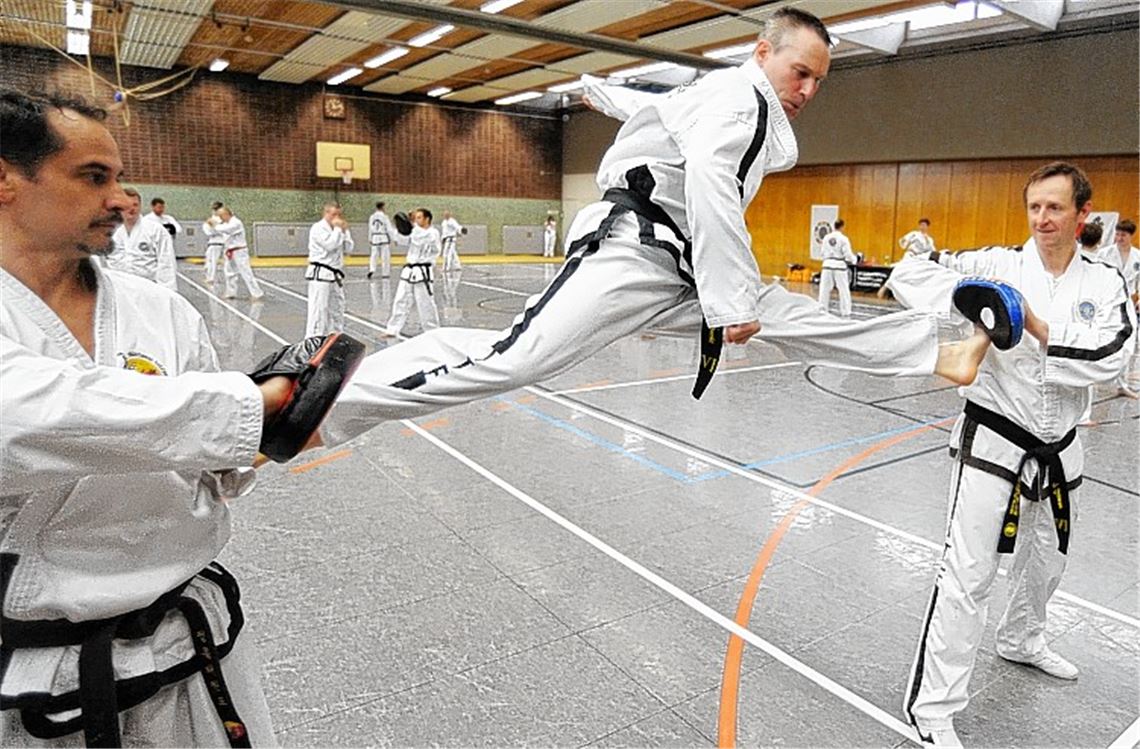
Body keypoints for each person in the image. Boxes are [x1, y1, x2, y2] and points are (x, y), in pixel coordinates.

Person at [315, 8, 995, 447]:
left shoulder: (718, 94)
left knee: (792, 314)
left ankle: (937, 351)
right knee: (513, 356)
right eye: (800, 72)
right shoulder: (740, 99)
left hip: (680, 262)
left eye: (820, 80)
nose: (808, 90)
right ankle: (325, 395)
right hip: (635, 250)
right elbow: (708, 180)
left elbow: (661, 109)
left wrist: (600, 93)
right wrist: (730, 303)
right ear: (763, 54)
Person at [0, 88, 315, 748]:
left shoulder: (161, 311)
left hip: (189, 640)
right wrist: (242, 409)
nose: (121, 198)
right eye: (93, 176)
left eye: (118, 177)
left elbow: (221, 461)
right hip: (38, 669)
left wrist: (275, 426)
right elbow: (27, 414)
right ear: (6, 179)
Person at [888, 162, 1137, 748]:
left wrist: (1033, 323)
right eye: (1034, 208)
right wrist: (971, 298)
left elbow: (1114, 356)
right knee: (969, 573)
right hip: (993, 436)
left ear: (1082, 216)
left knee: (1045, 562)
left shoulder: (1103, 284)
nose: (1043, 219)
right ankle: (934, 709)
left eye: (1055, 208)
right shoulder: (997, 264)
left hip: (1060, 446)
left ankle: (1022, 639)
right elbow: (909, 275)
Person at [1094, 218, 1139, 397]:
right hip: (1107, 301)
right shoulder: (1105, 254)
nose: (1119, 238)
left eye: (1123, 235)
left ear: (1131, 236)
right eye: (1117, 234)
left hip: (1127, 302)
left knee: (1129, 341)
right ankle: (1094, 378)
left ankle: (1122, 383)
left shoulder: (1137, 256)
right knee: (1101, 340)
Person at [106, 186, 177, 291]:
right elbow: (101, 262)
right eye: (127, 205)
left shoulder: (156, 230)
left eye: (135, 205)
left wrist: (168, 292)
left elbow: (166, 262)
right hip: (118, 288)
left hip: (148, 287)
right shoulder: (109, 231)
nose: (132, 209)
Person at [384, 208, 441, 337]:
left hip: (423, 272)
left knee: (425, 303)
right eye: (416, 217)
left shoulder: (433, 233)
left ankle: (432, 331)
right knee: (400, 300)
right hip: (409, 271)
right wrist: (400, 226)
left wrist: (411, 224)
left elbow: (419, 237)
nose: (416, 220)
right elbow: (401, 239)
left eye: (419, 217)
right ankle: (392, 329)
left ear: (427, 219)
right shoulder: (414, 232)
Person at [306, 201, 354, 337]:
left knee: (337, 309)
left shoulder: (339, 229)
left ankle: (336, 339)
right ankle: (313, 342)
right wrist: (339, 229)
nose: (337, 218)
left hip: (335, 276)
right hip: (320, 275)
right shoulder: (318, 228)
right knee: (319, 311)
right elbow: (330, 245)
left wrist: (345, 232)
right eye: (333, 214)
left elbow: (349, 249)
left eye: (339, 215)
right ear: (326, 213)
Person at [216, 205, 264, 300]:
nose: (220, 218)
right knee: (229, 272)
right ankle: (231, 292)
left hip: (239, 251)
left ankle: (257, 293)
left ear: (226, 214)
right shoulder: (225, 224)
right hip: (229, 251)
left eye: (221, 216)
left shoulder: (236, 223)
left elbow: (225, 229)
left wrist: (214, 225)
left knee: (246, 272)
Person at [818, 218, 857, 317]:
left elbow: (822, 253)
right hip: (839, 265)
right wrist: (854, 260)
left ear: (833, 226)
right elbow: (847, 254)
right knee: (843, 289)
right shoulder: (844, 239)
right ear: (842, 227)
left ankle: (822, 309)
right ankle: (846, 311)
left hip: (827, 265)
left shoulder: (826, 237)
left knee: (824, 289)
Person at [368, 200, 395, 279]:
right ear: (382, 207)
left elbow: (370, 228)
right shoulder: (384, 217)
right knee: (385, 256)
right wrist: (393, 238)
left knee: (373, 255)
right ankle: (385, 273)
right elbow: (389, 229)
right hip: (383, 237)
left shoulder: (372, 217)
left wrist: (370, 238)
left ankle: (372, 269)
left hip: (375, 237)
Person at [202, 200, 225, 284]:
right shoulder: (214, 219)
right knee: (210, 260)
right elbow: (207, 231)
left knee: (213, 261)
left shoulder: (221, 219)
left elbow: (217, 231)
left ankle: (211, 278)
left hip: (217, 242)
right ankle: (210, 276)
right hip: (215, 242)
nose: (215, 211)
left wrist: (213, 227)